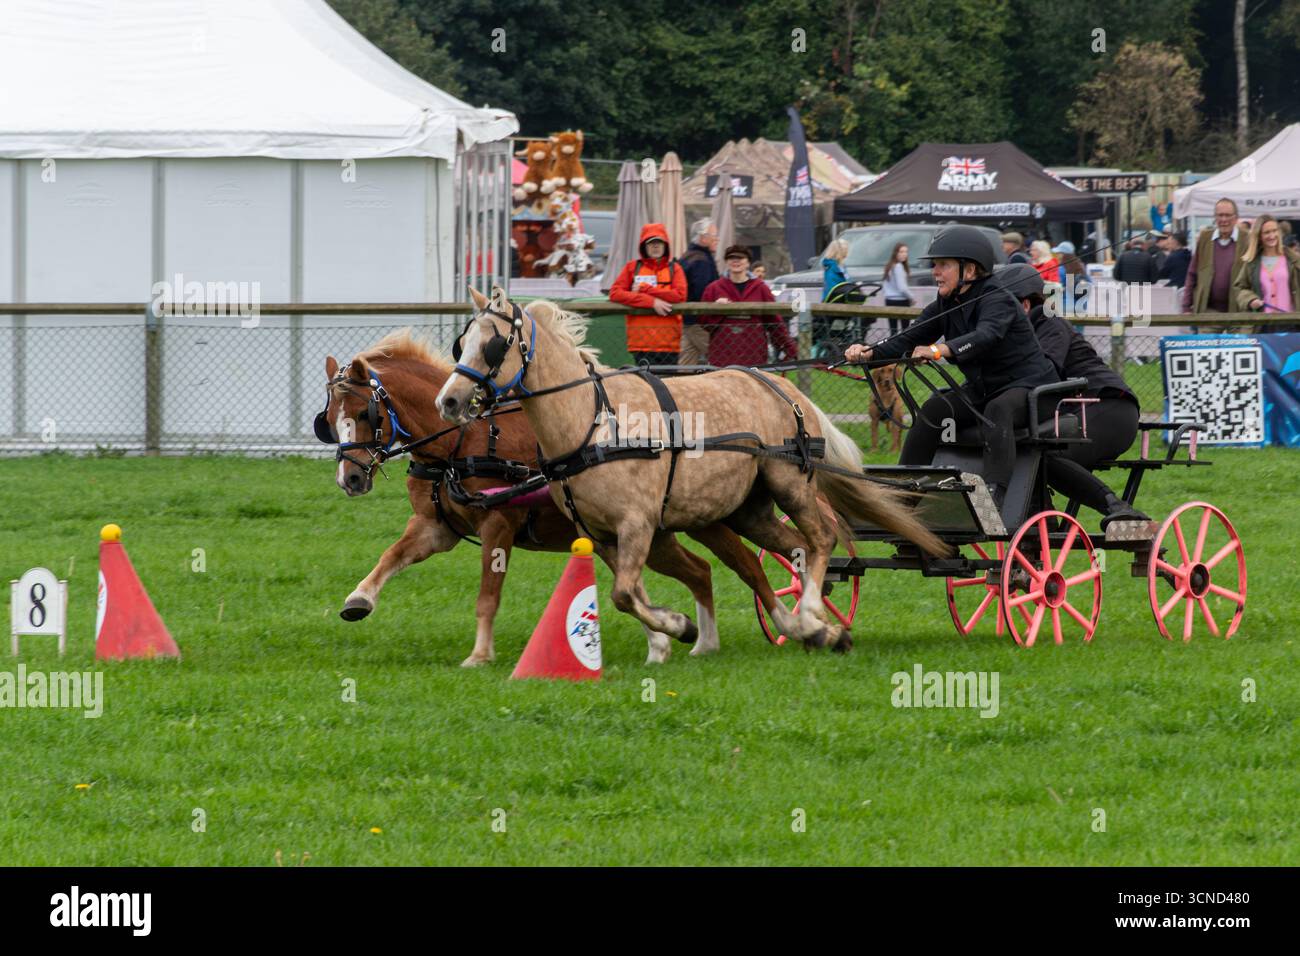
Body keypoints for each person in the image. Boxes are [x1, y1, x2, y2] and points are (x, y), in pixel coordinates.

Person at [844, 225, 1059, 511]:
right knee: (934, 409)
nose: (935, 271)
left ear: (969, 270)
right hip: (985, 389)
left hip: (1031, 388)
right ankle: (904, 491)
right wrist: (868, 354)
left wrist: (939, 350)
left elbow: (985, 336)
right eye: (934, 265)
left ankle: (993, 496)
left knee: (1000, 409)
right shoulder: (946, 302)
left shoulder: (998, 299)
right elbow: (908, 337)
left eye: (943, 265)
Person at [997, 264, 1148, 527]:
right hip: (1077, 410)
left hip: (1110, 407)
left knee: (1044, 454)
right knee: (1025, 450)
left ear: (1023, 305)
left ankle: (1117, 507)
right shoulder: (1018, 335)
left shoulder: (1049, 324)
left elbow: (1041, 374)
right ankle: (1039, 519)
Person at [701, 245, 797, 366]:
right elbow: (704, 323)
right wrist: (716, 309)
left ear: (748, 263)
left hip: (753, 354)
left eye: (740, 258)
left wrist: (790, 348)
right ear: (726, 262)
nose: (735, 261)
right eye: (731, 258)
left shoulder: (761, 288)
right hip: (722, 354)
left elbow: (774, 322)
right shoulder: (713, 288)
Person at [608, 222, 687, 366]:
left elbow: (680, 295)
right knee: (644, 386)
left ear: (665, 245)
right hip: (641, 341)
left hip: (669, 341)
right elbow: (615, 293)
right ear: (644, 246)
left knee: (669, 386)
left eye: (659, 242)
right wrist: (651, 302)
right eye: (651, 243)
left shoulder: (675, 268)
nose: (655, 246)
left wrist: (645, 288)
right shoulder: (632, 267)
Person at [1181, 197, 1247, 316]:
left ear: (1236, 218)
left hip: (1239, 311)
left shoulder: (1247, 239)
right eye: (1220, 215)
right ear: (1215, 217)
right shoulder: (1205, 238)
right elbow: (1192, 273)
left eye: (1228, 215)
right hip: (1208, 310)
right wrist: (1186, 306)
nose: (1223, 219)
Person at [1233, 214, 1300, 330]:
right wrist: (1250, 299)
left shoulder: (1293, 259)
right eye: (1267, 232)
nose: (1272, 235)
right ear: (1259, 236)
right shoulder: (1251, 263)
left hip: (1292, 324)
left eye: (1274, 231)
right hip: (1262, 325)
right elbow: (1239, 288)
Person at [677, 218, 719, 365]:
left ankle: (680, 386)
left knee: (686, 365)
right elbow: (704, 293)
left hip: (687, 319)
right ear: (703, 237)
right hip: (699, 322)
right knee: (723, 357)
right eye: (714, 236)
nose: (717, 239)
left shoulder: (687, 256)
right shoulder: (702, 261)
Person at [882, 241, 914, 336]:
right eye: (901, 252)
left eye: (906, 252)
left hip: (889, 301)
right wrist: (912, 297)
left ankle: (892, 349)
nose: (904, 254)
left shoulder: (889, 266)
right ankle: (905, 350)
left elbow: (885, 286)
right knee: (905, 331)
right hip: (901, 301)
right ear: (895, 253)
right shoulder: (899, 266)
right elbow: (902, 288)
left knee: (893, 331)